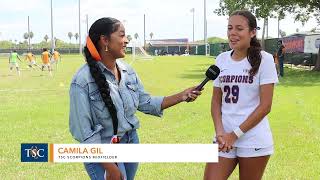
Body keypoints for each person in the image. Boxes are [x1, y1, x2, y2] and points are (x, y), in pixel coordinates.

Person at [69, 17, 202, 180]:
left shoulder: (128, 71)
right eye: (122, 35)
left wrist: (182, 95)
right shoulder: (82, 81)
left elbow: (146, 103)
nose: (126, 41)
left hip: (130, 142)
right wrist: (110, 167)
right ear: (105, 40)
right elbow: (84, 131)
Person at [203, 10, 278, 180]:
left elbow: (265, 106)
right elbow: (216, 102)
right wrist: (220, 132)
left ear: (252, 32)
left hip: (253, 139)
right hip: (224, 138)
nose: (232, 33)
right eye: (229, 28)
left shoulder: (264, 60)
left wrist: (234, 135)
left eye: (239, 28)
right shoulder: (221, 59)